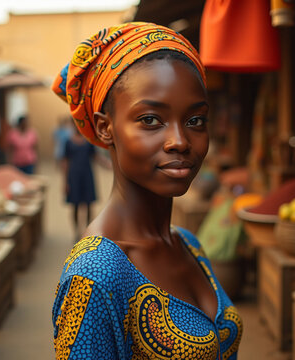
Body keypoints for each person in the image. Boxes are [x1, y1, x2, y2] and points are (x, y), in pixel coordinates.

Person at [51, 23, 242, 359]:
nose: (180, 141)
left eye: (195, 120)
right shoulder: (95, 275)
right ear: (105, 128)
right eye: (151, 120)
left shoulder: (187, 243)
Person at [63, 121, 97, 238]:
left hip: (87, 175)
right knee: (75, 205)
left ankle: (87, 231)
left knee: (88, 204)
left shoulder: (88, 141)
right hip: (74, 176)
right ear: (73, 125)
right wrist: (65, 181)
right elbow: (66, 161)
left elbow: (95, 156)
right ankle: (77, 231)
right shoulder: (68, 142)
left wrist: (109, 163)